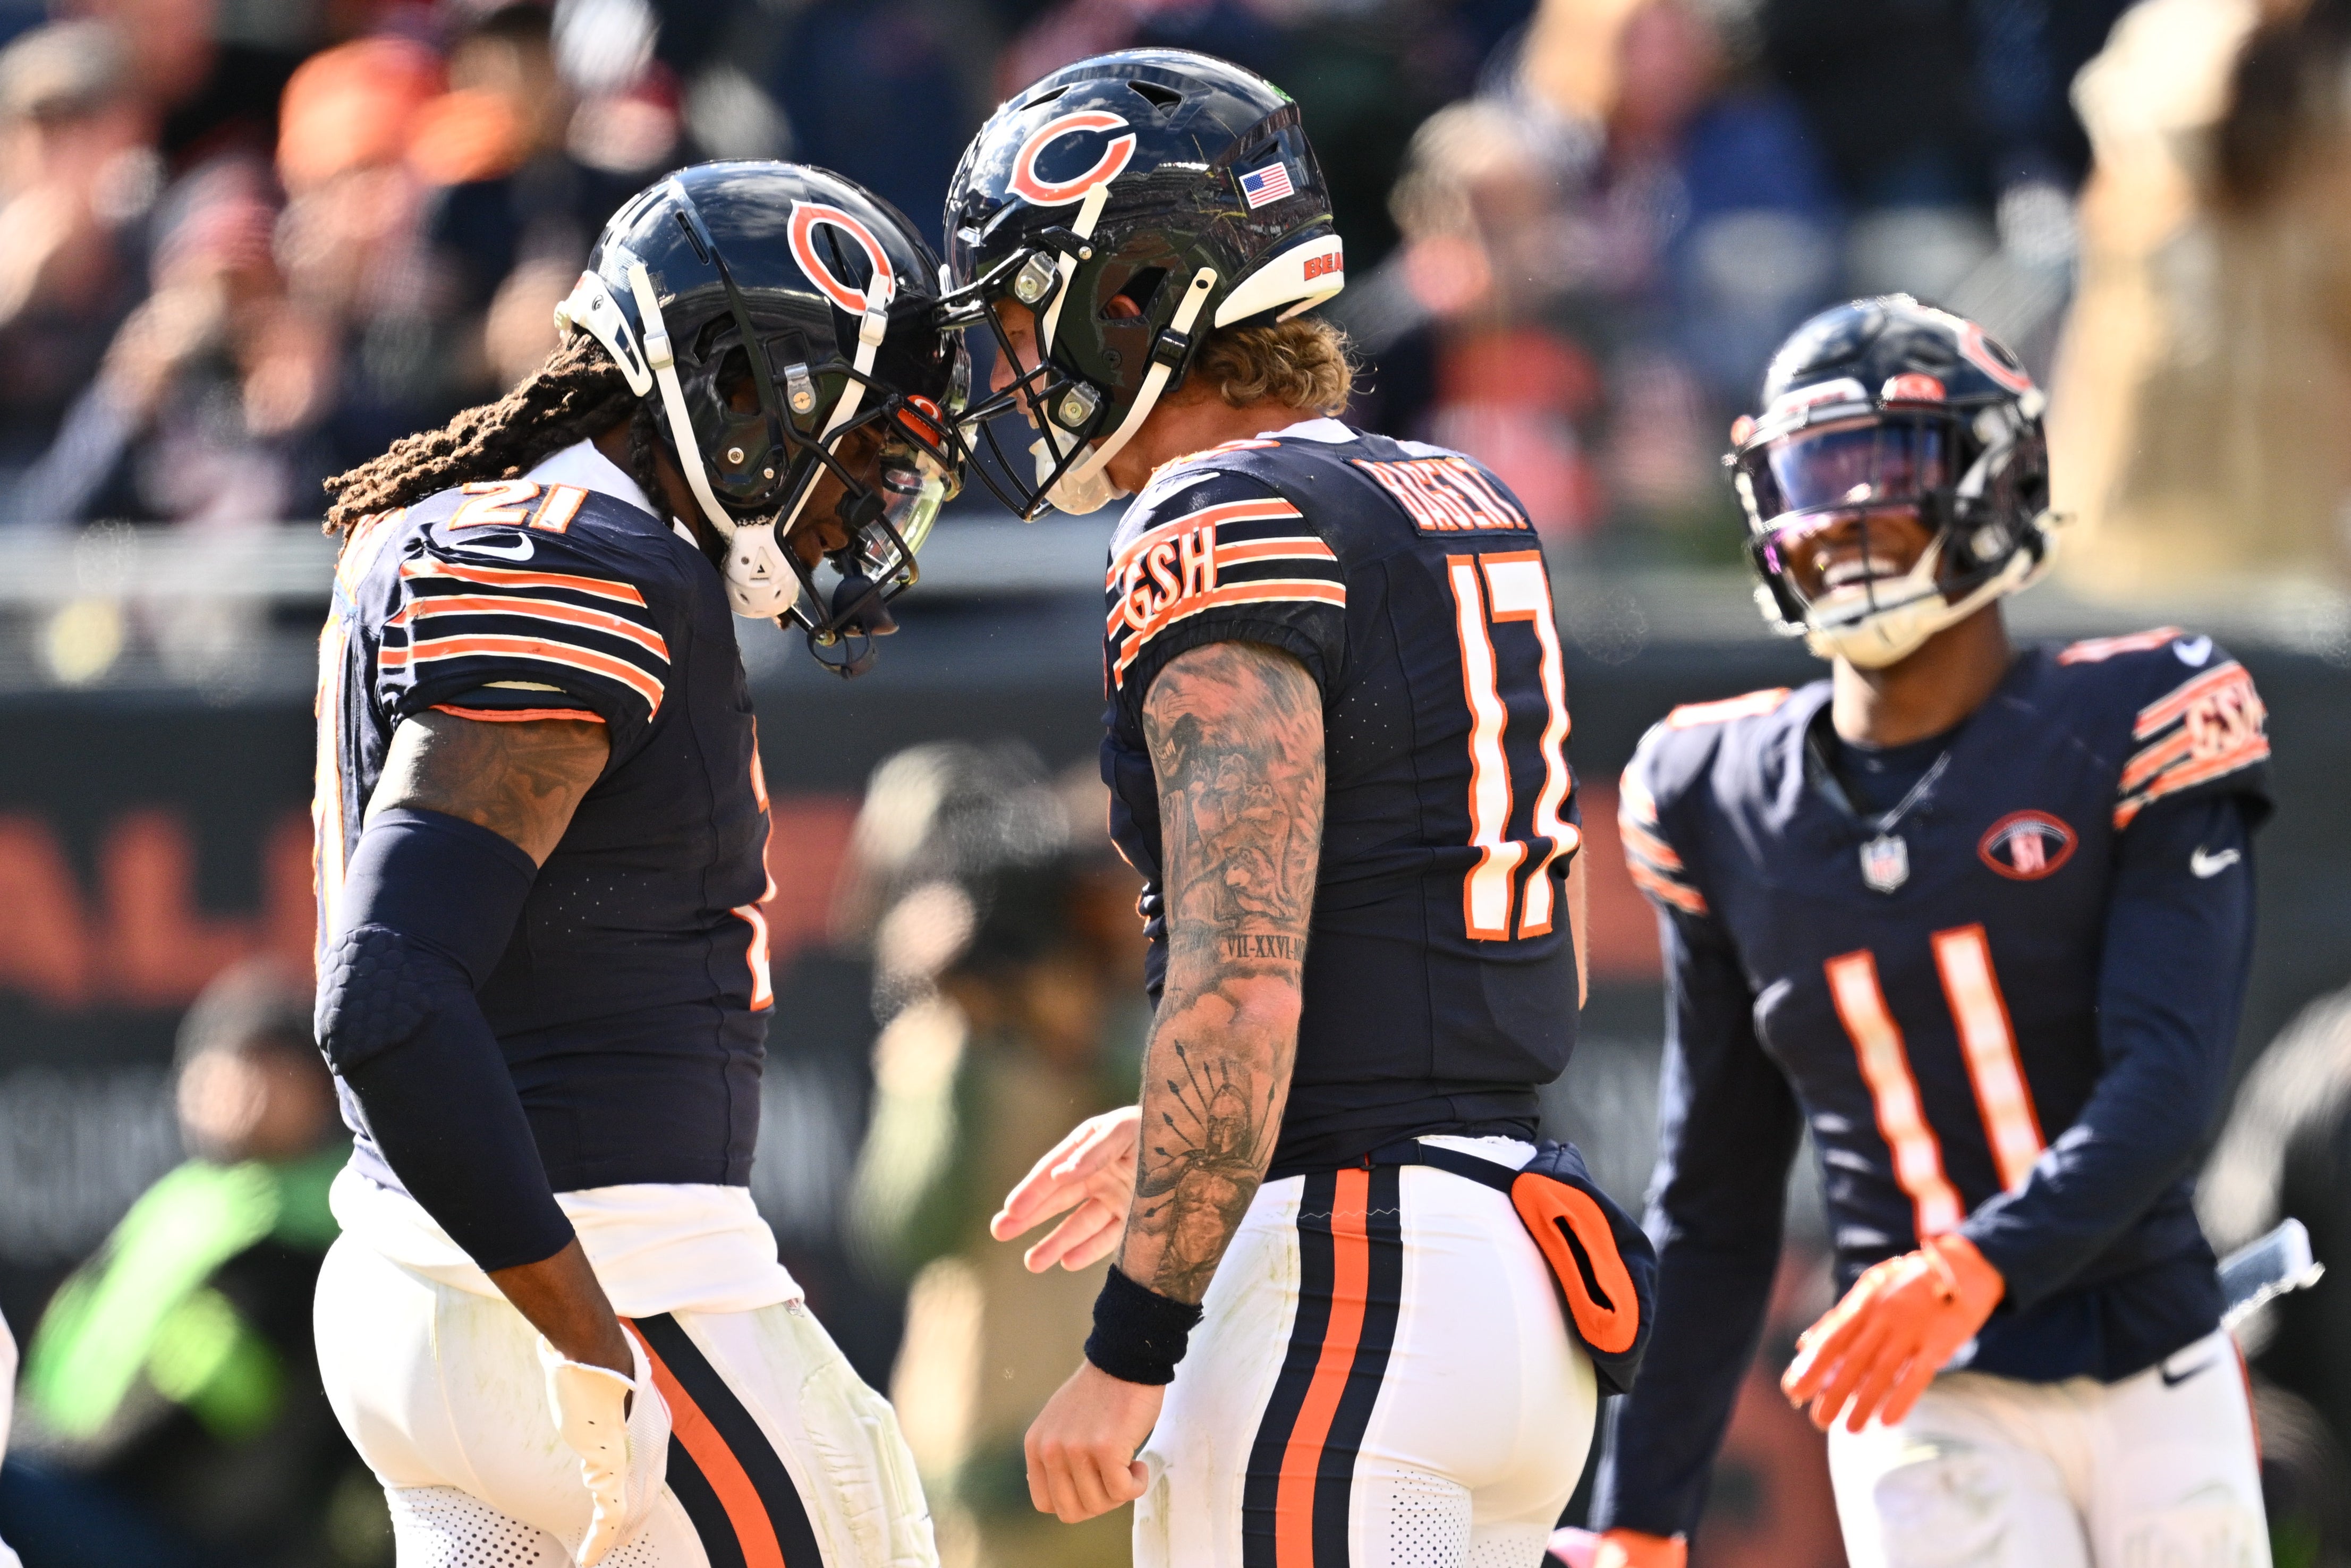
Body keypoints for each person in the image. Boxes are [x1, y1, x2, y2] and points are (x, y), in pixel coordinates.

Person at [943, 48, 1648, 1567]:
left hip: (1348, 1290)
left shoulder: (1221, 516)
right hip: (1519, 1279)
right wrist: (1196, 1122)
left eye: (1022, 308)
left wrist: (1127, 1345)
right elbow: (1527, 947)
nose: (1011, 359)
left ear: (1133, 292)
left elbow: (1241, 973)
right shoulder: (1456, 494)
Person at [306, 159, 965, 1566]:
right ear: (740, 389)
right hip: (612, 1278)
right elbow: (389, 997)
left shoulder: (464, 527)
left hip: (421, 1294)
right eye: (853, 441)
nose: (864, 495)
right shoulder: (569, 562)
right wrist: (591, 1335)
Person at [1575, 296, 2273, 1568]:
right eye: (1808, 478)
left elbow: (2167, 1082)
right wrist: (1637, 1509)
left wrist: (1969, 1263)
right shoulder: (1713, 787)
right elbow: (1717, 1191)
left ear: (1996, 476)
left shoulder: (2137, 714)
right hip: (1924, 1391)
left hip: (2149, 1358)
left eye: (1881, 472)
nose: (1841, 520)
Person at [1, 957, 363, 1568]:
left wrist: (49, 1462)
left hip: (188, 1533)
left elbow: (200, 1425)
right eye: (224, 1064)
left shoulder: (308, 1233)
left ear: (317, 1093)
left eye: (269, 1069)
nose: (240, 1090)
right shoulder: (190, 1203)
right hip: (86, 1486)